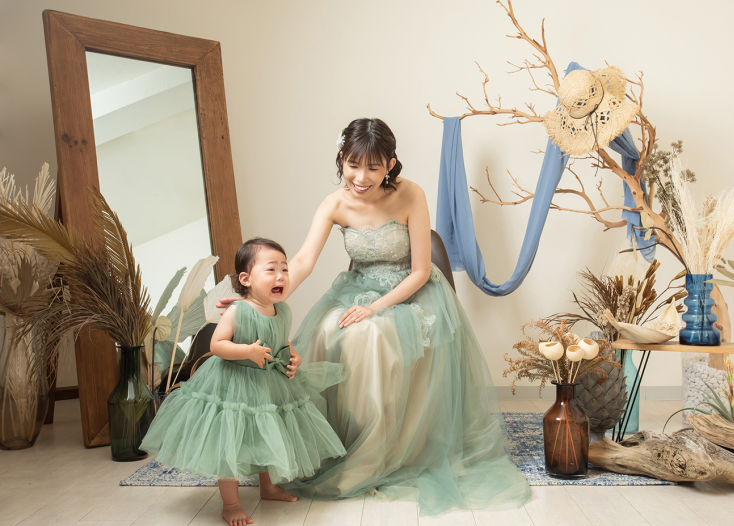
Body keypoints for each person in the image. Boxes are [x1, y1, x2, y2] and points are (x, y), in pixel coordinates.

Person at [221, 118, 531, 515]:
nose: (361, 177)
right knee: (325, 331)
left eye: (373, 167)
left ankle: (376, 453)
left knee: (371, 336)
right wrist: (251, 298)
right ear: (341, 159)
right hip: (358, 287)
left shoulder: (410, 194)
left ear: (390, 164)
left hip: (412, 292)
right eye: (353, 165)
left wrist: (375, 307)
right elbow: (301, 262)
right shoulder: (334, 203)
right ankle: (335, 445)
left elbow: (421, 270)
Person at [141, 238, 346, 526]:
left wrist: (294, 356)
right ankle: (231, 504)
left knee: (267, 435)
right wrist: (247, 351)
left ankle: (268, 487)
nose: (280, 276)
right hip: (234, 382)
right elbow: (218, 345)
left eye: (284, 270)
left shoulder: (282, 310)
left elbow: (281, 340)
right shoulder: (238, 310)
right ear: (246, 279)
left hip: (269, 384)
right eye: (271, 269)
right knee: (231, 442)